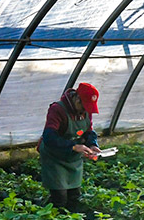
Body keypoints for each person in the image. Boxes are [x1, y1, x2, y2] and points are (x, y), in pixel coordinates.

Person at [39, 82, 102, 210]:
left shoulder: (85, 111)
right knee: (60, 198)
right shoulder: (57, 110)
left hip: (73, 160)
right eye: (84, 106)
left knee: (74, 196)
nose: (86, 110)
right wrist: (74, 146)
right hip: (55, 158)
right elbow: (49, 136)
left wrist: (92, 145)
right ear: (77, 99)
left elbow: (89, 131)